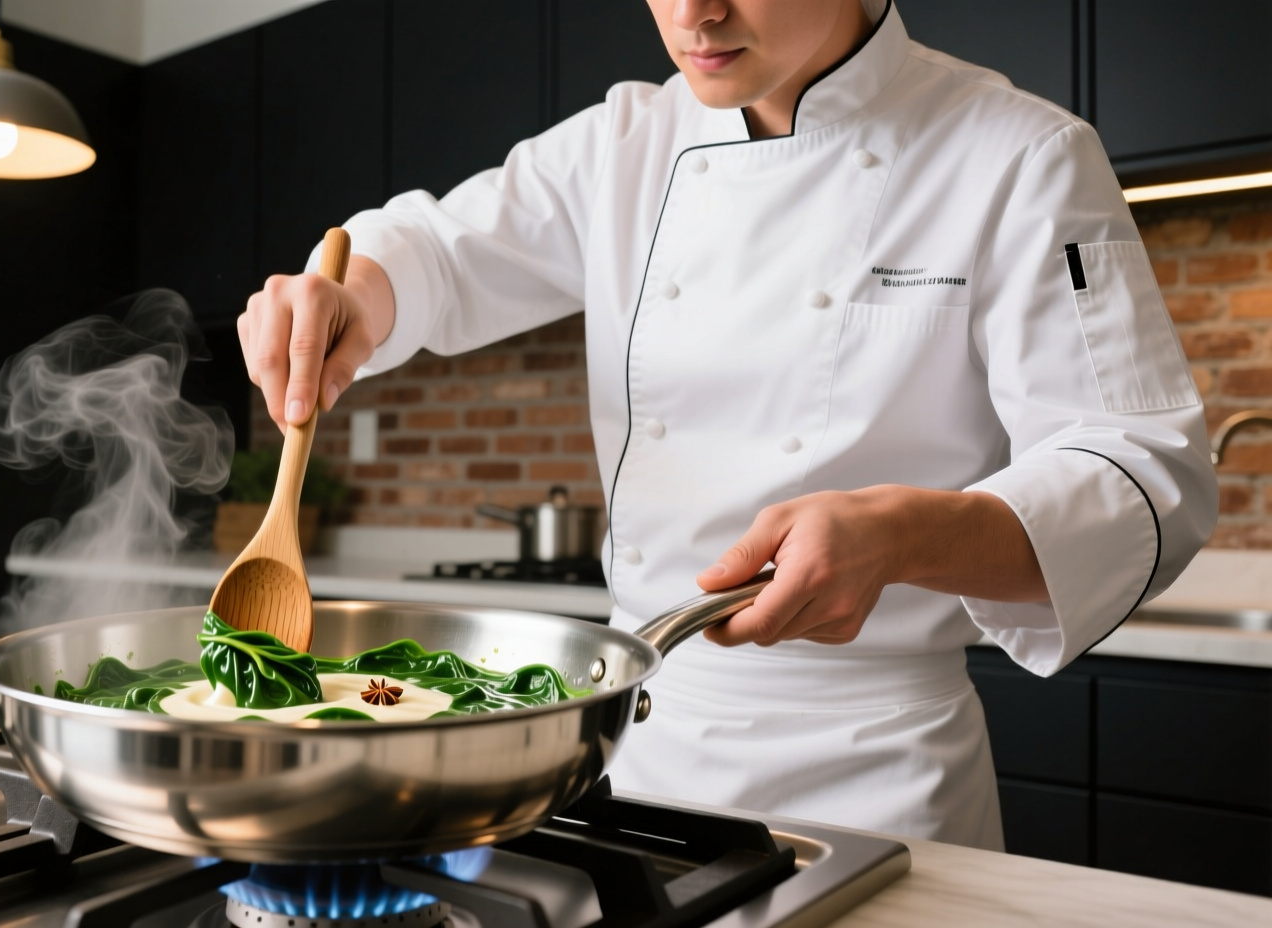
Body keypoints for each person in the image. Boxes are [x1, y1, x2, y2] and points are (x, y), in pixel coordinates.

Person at [236, 0, 1217, 849]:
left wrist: (903, 535)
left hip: (873, 779)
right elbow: (435, 255)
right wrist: (351, 294)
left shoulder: (1014, 154)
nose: (692, 15)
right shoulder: (622, 144)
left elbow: (1142, 475)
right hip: (634, 753)